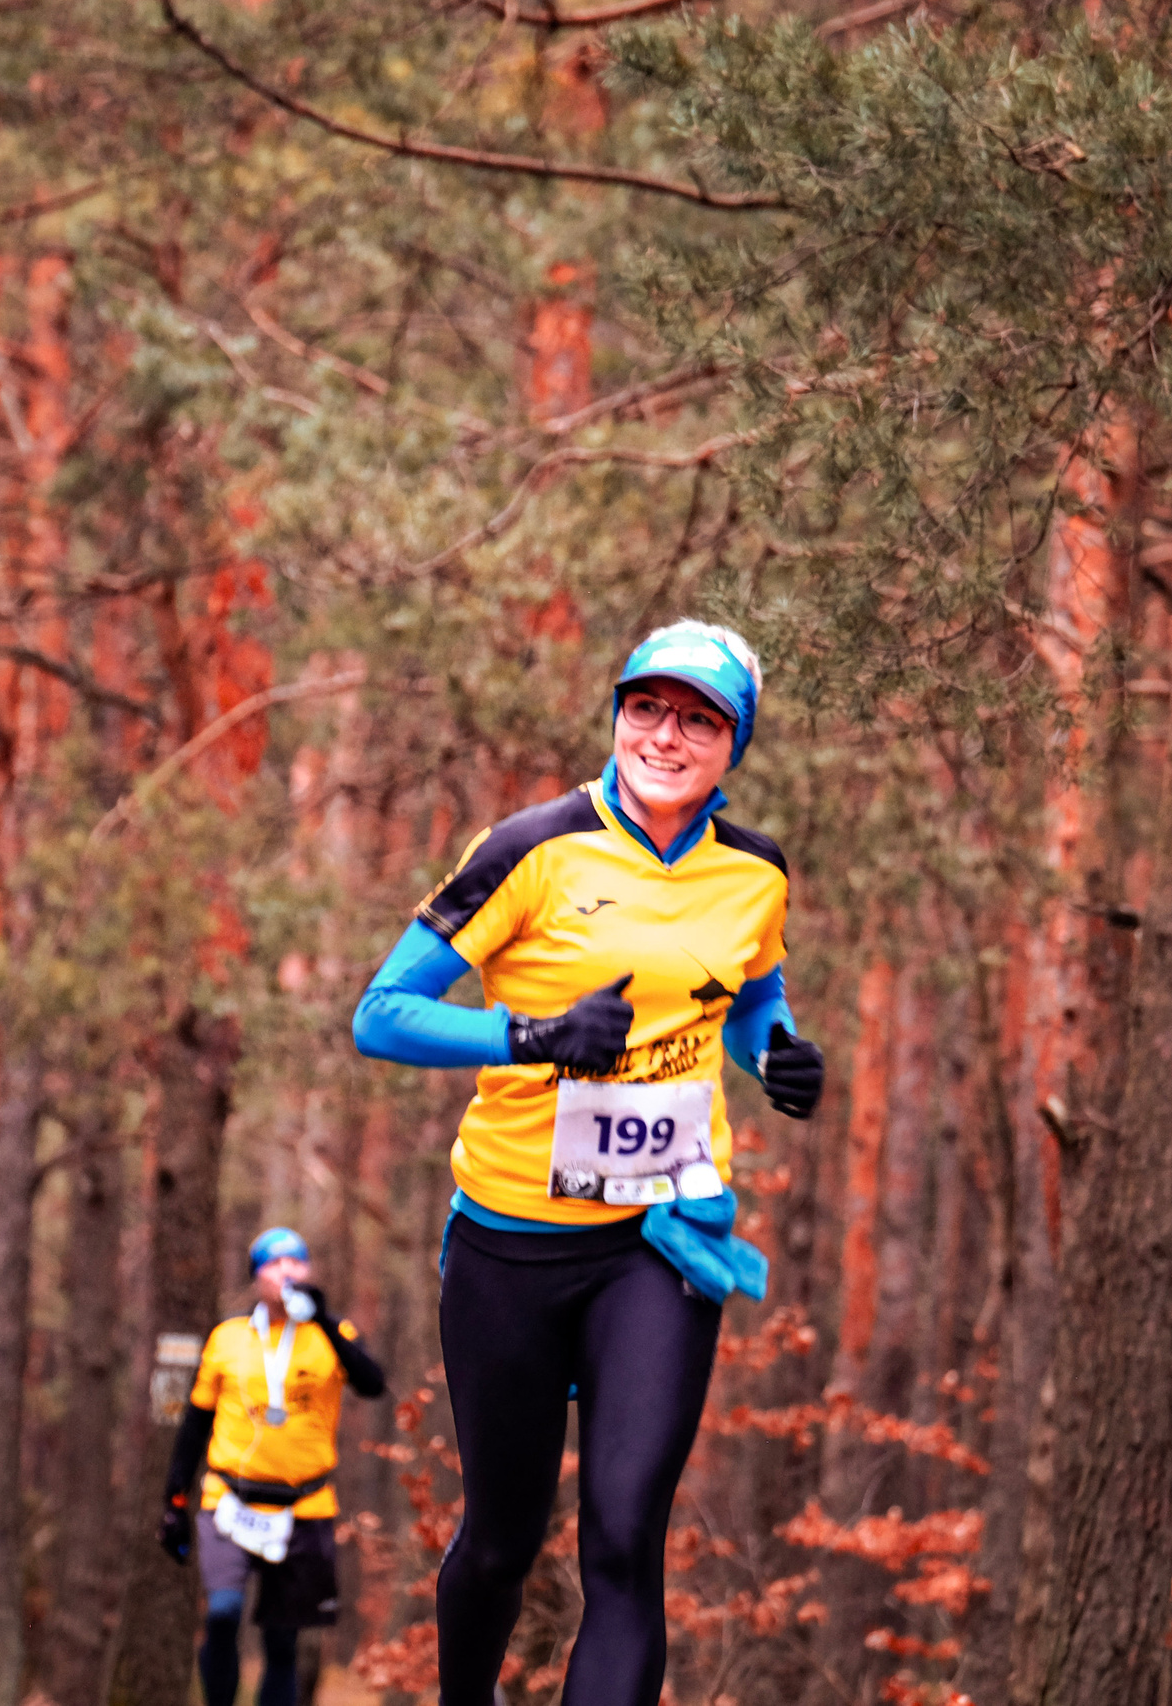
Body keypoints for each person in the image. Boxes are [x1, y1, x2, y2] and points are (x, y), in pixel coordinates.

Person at [350, 621, 823, 1706]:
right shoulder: (531, 847)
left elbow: (750, 997)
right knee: (500, 1543)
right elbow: (381, 1015)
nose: (665, 734)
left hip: (658, 1243)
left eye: (698, 718)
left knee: (621, 1540)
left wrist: (777, 1058)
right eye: (646, 707)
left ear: (732, 745)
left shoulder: (755, 872)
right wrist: (527, 1037)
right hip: (508, 1244)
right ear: (616, 715)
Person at [159, 1228, 386, 1706]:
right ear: (255, 1276)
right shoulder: (227, 1337)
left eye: (296, 1262)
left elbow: (371, 1383)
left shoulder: (333, 1333)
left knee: (282, 1642)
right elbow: (194, 1425)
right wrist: (174, 1500)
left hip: (304, 1507)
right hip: (229, 1502)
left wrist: (321, 1318)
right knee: (222, 1612)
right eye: (273, 1263)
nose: (286, 1271)